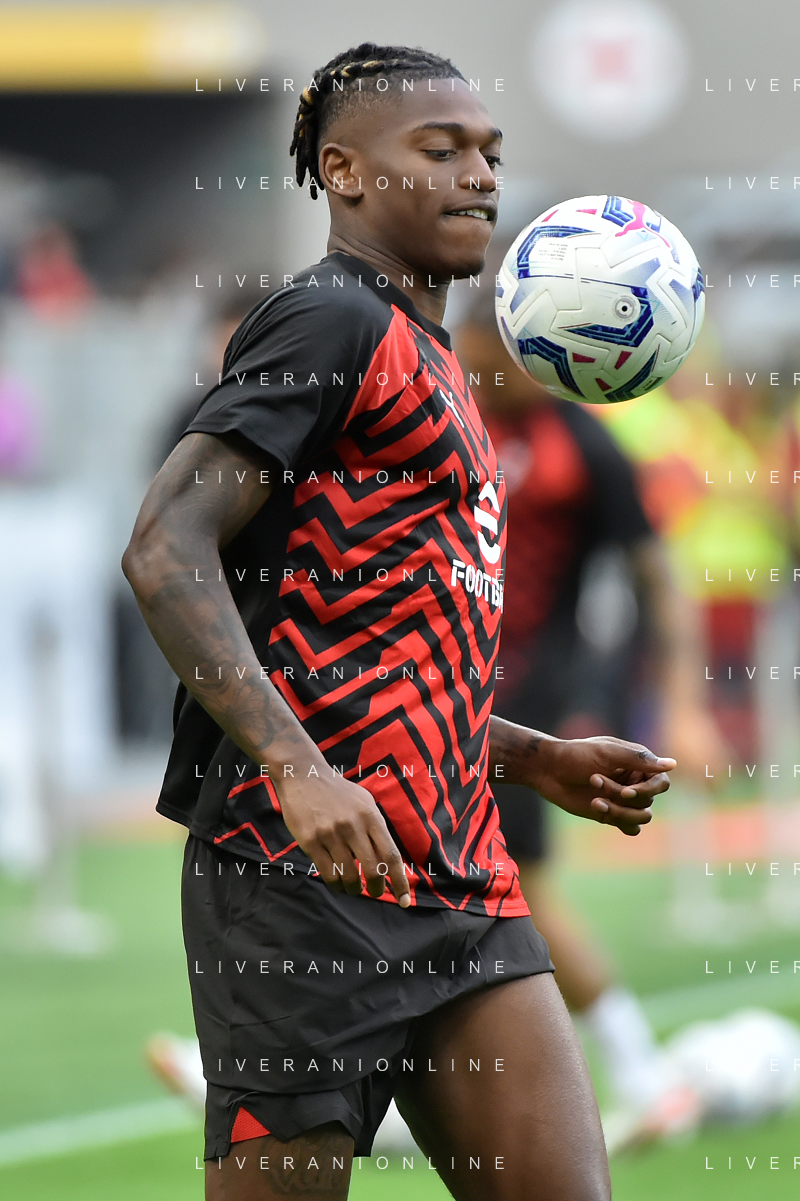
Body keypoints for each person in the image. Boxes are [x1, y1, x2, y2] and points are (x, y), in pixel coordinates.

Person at [122, 43, 675, 1201]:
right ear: (343, 171)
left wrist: (531, 756)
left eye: (489, 153)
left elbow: (388, 658)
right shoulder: (326, 322)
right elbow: (165, 547)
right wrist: (295, 769)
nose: (479, 174)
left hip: (459, 870)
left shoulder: (439, 366)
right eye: (440, 149)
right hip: (298, 878)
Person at [454, 288, 728, 1149]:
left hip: (521, 705)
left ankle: (642, 1073)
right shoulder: (441, 420)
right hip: (426, 693)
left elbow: (657, 577)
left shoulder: (584, 443)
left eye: (493, 362)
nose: (478, 373)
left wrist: (683, 703)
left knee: (518, 887)